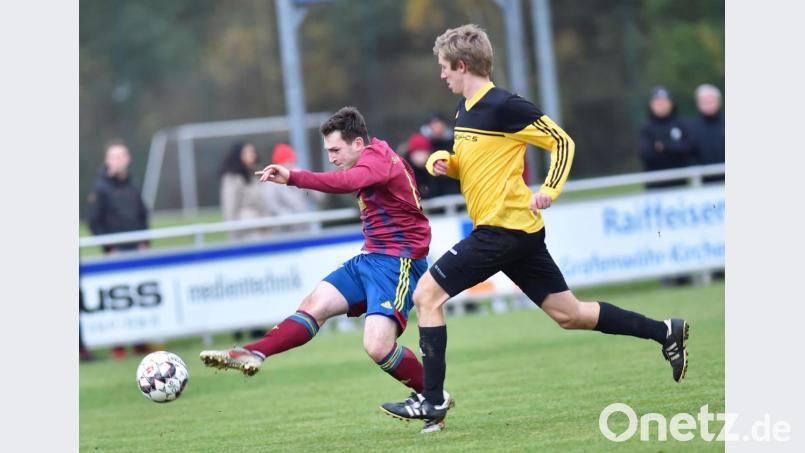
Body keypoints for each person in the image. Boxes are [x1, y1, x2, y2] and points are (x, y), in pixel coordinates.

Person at [381, 24, 689, 428]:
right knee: (570, 314)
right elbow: (477, 162)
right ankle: (666, 331)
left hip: (502, 229)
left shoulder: (505, 105)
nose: (442, 75)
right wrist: (448, 161)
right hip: (516, 232)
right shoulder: (465, 109)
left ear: (461, 64)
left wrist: (550, 188)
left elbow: (562, 142)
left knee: (426, 296)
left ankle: (433, 402)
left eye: (444, 67)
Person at [199, 107, 450, 433]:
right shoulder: (370, 157)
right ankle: (253, 353)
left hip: (399, 262)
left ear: (358, 143)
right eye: (327, 151)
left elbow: (346, 182)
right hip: (371, 258)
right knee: (313, 305)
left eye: (335, 150)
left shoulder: (379, 159)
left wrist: (293, 177)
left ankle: (433, 399)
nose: (331, 157)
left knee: (377, 347)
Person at [86, 139, 152, 359]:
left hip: (137, 250)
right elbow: (94, 221)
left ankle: (140, 342)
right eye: (114, 156)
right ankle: (118, 345)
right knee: (119, 299)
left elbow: (143, 214)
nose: (119, 160)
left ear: (128, 159)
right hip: (116, 254)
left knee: (140, 296)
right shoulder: (101, 188)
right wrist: (109, 246)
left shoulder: (132, 185)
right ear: (107, 160)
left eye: (122, 156)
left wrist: (145, 241)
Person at [637, 86, 695, 189]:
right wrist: (674, 148)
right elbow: (646, 154)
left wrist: (664, 147)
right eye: (657, 102)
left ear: (671, 103)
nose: (661, 105)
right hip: (655, 185)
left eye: (664, 101)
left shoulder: (681, 124)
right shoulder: (646, 128)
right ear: (651, 105)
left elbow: (688, 148)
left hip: (680, 183)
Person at [261, 143, 322, 233]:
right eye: (287, 162)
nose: (290, 165)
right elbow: (272, 206)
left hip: (305, 228)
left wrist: (308, 182)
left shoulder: (299, 175)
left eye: (292, 162)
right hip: (284, 231)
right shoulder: (271, 182)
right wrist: (291, 217)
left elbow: (319, 197)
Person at [219, 141, 272, 241]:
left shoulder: (256, 174)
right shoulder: (232, 178)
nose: (252, 155)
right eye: (247, 152)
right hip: (246, 231)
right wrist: (233, 234)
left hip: (263, 227)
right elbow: (229, 208)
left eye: (253, 152)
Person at [688, 83, 725, 183]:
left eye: (711, 100)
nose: (708, 104)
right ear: (698, 104)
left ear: (719, 101)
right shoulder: (691, 127)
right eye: (704, 101)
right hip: (705, 184)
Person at [421, 113, 461, 197]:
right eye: (434, 125)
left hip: (454, 185)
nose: (437, 128)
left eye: (439, 125)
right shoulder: (423, 143)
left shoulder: (454, 141)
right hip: (432, 187)